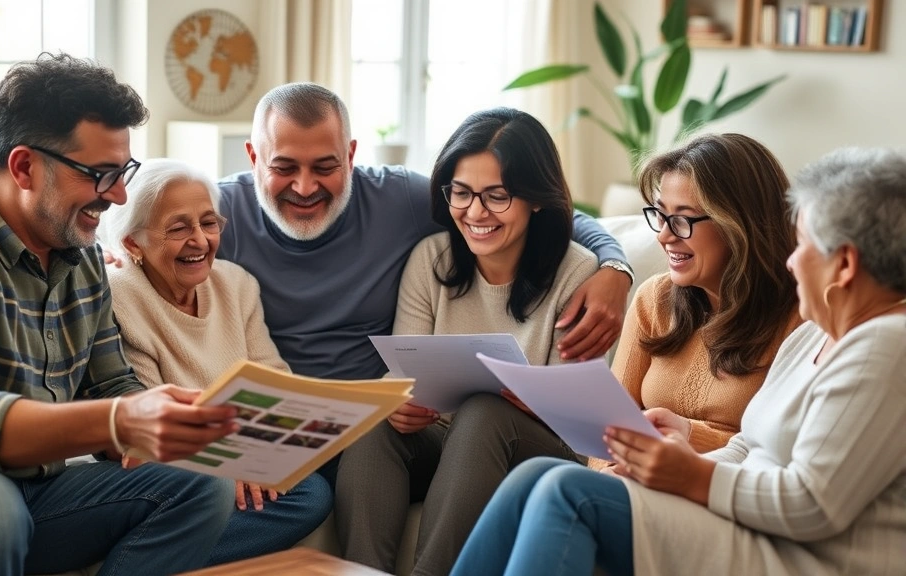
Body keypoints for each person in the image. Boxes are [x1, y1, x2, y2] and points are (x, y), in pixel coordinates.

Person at [450, 146, 906, 576]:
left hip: (795, 554)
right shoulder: (815, 337)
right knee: (537, 474)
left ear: (843, 264)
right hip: (753, 525)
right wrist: (672, 457)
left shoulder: (885, 347)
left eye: (803, 244)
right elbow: (749, 445)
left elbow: (814, 504)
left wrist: (690, 474)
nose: (792, 262)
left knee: (568, 493)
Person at [0, 53, 240, 575]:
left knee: (205, 483)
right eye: (101, 174)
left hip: (29, 493)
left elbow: (109, 386)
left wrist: (182, 430)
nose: (118, 196)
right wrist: (122, 421)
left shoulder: (82, 256)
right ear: (25, 166)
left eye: (124, 173)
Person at [215, 82, 635, 387]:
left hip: (372, 416)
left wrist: (615, 268)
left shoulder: (400, 199)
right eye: (284, 167)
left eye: (325, 167)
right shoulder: (219, 214)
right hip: (281, 418)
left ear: (351, 156)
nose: (305, 187)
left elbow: (543, 210)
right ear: (253, 157)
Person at [334, 107, 599, 576]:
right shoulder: (430, 259)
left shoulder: (576, 272)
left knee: (484, 411)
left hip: (539, 451)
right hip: (447, 441)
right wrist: (399, 403)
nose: (475, 212)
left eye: (497, 196)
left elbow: (577, 415)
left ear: (536, 198)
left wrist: (531, 399)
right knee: (373, 421)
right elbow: (406, 373)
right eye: (461, 192)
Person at [100, 158, 332, 563]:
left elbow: (274, 381)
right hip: (166, 467)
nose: (200, 240)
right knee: (209, 490)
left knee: (310, 491)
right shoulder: (117, 296)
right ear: (133, 243)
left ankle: (152, 560)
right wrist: (228, 462)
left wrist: (256, 456)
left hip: (235, 453)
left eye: (208, 223)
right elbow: (151, 422)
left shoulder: (236, 284)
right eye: (178, 228)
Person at [589, 133, 802, 471]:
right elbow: (605, 435)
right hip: (634, 490)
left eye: (682, 219)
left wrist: (688, 436)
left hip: (722, 497)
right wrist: (610, 483)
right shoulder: (653, 300)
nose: (663, 235)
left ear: (739, 225)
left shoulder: (800, 318)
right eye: (661, 216)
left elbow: (785, 454)